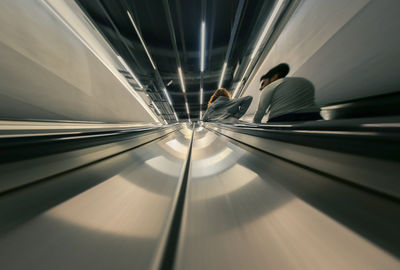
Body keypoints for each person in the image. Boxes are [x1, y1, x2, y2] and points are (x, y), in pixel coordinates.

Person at [253, 63, 321, 123]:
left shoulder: (270, 86)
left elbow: (260, 111)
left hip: (282, 119)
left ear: (274, 76)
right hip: (314, 116)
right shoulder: (305, 81)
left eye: (262, 83)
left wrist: (255, 125)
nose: (260, 88)